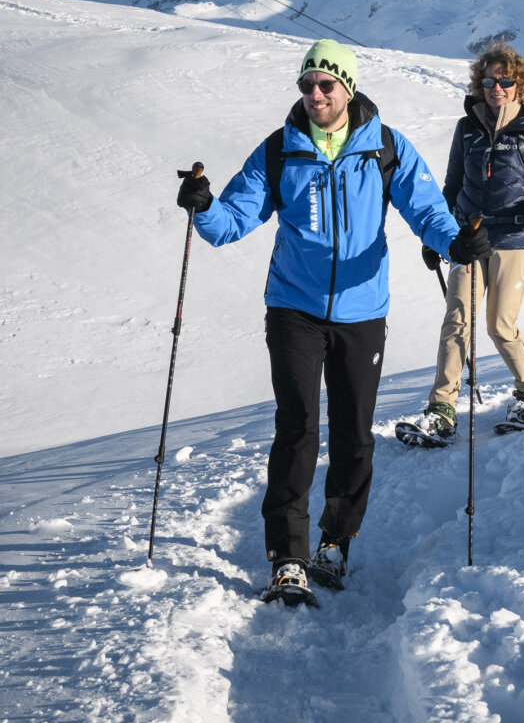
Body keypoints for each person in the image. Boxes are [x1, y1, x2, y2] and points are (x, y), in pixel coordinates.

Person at [177, 39, 489, 599]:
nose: (315, 94)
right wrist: (203, 205)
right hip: (294, 308)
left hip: (362, 311)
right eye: (306, 85)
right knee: (297, 427)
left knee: (352, 433)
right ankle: (288, 556)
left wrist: (458, 244)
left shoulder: (384, 147)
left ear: (347, 86)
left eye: (326, 84)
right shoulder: (281, 150)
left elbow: (427, 212)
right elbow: (230, 222)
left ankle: (334, 544)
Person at [417, 44, 524, 444]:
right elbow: (451, 186)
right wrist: (438, 236)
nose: (496, 88)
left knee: (500, 324)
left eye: (504, 80)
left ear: (519, 84)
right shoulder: (468, 128)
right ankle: (441, 409)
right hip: (470, 237)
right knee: (457, 321)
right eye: (488, 81)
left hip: (516, 237)